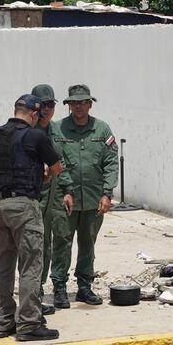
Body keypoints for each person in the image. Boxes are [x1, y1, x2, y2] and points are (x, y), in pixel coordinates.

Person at [0, 94, 62, 341]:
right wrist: (44, 178)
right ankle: (28, 324)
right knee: (30, 265)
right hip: (23, 206)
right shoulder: (35, 135)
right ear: (33, 114)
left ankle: (4, 323)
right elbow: (56, 167)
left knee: (3, 264)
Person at [50, 84, 119, 309]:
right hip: (64, 198)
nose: (79, 107)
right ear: (68, 105)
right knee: (62, 241)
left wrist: (107, 194)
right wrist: (65, 189)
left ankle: (84, 286)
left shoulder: (102, 130)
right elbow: (54, 163)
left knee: (88, 242)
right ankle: (59, 287)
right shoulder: (57, 130)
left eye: (83, 102)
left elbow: (110, 163)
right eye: (74, 103)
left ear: (90, 104)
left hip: (93, 198)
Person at [30, 84, 74, 316]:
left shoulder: (57, 132)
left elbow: (62, 162)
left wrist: (67, 190)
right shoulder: (27, 132)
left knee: (62, 241)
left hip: (56, 196)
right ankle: (34, 293)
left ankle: (59, 287)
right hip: (37, 196)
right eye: (42, 105)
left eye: (50, 105)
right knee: (39, 247)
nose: (47, 109)